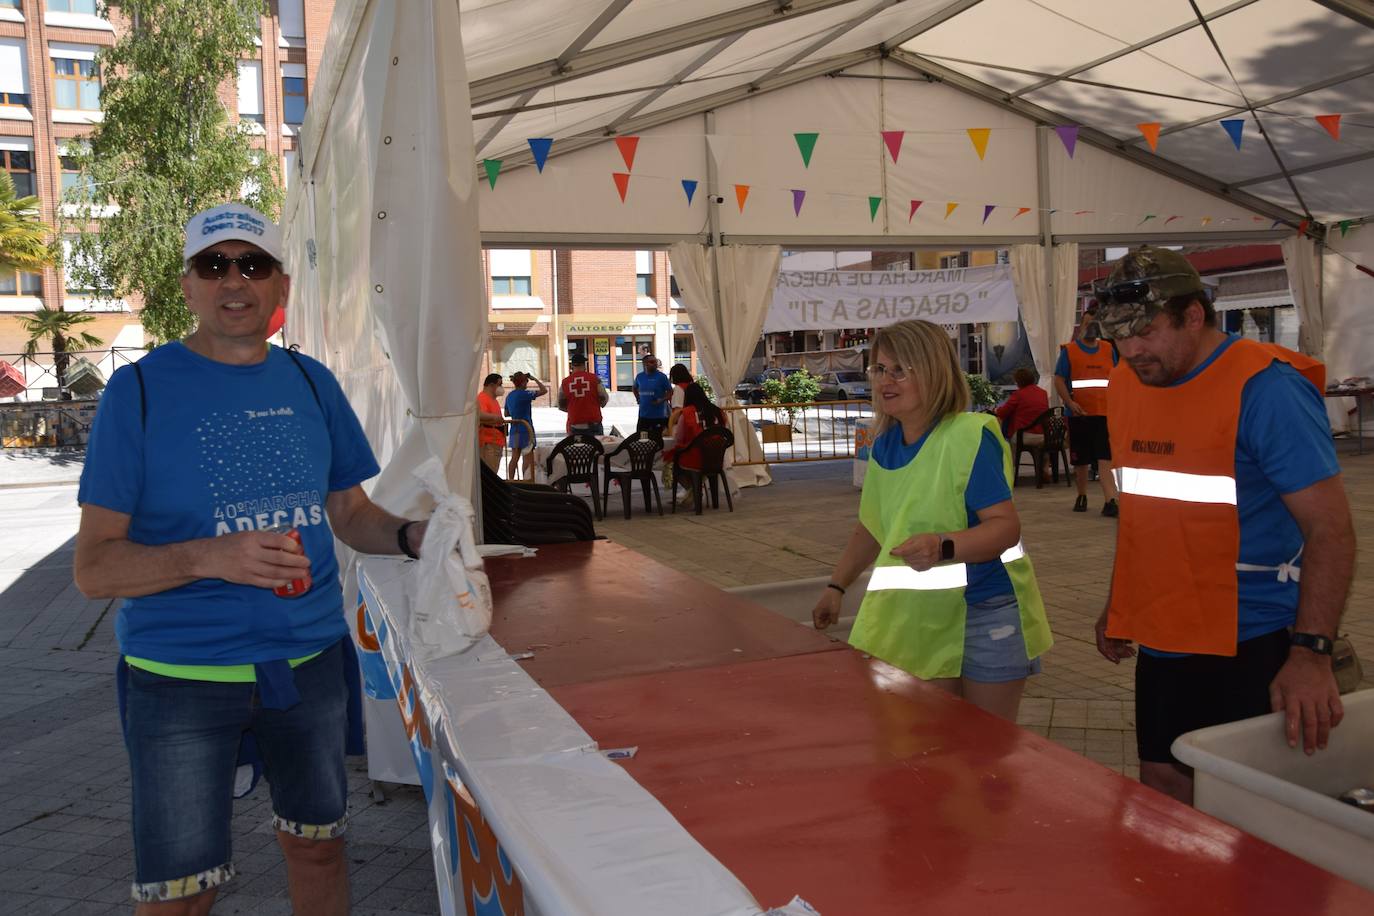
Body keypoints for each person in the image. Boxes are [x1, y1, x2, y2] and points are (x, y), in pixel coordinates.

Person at [72, 203, 430, 915]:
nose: (234, 280)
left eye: (253, 264)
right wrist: (210, 556)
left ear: (281, 287)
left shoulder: (310, 383)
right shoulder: (137, 392)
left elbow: (352, 515)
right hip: (180, 681)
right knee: (183, 893)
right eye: (213, 265)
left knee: (319, 846)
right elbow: (95, 569)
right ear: (187, 287)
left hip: (309, 667)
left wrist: (419, 537)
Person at [1091, 246, 1354, 806]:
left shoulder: (1267, 388)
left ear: (1194, 315)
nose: (1132, 350)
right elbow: (1143, 507)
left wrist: (1311, 655)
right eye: (1119, 337)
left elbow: (1330, 531)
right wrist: (1121, 600)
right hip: (1164, 631)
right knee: (1162, 785)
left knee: (1247, 806)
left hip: (1252, 636)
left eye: (1146, 332)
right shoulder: (1129, 382)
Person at [811, 320, 1052, 721]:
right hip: (924, 620)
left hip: (987, 612)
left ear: (933, 370)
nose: (885, 381)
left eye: (900, 370)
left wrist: (942, 545)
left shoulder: (969, 435)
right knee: (933, 749)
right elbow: (871, 526)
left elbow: (1004, 529)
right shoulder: (884, 444)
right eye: (879, 369)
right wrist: (836, 586)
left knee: (984, 752)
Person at [1055, 304, 1121, 516]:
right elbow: (1059, 379)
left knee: (1105, 457)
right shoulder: (1070, 351)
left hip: (1105, 413)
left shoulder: (1109, 349)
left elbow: (1118, 377)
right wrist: (1069, 403)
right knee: (1081, 460)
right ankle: (1081, 494)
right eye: (1087, 324)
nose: (1092, 328)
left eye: (1095, 324)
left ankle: (1110, 500)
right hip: (1079, 413)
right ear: (1081, 326)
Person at [662, 382, 724, 508]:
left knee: (670, 463)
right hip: (716, 458)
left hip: (695, 458)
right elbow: (724, 432)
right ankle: (698, 491)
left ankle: (693, 489)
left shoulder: (687, 413)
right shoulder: (718, 412)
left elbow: (679, 438)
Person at [995, 366, 1051, 482]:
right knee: (1041, 446)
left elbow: (1002, 412)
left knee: (1010, 443)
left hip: (1025, 435)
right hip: (1043, 435)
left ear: (1018, 382)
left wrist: (995, 410)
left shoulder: (1019, 395)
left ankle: (1010, 472)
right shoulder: (1043, 393)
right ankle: (1045, 468)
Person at [504, 371, 546, 480]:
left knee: (514, 458)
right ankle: (526, 481)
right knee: (527, 458)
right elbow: (544, 390)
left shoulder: (509, 396)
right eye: (526, 382)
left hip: (514, 429)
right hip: (525, 429)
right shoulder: (525, 394)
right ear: (523, 383)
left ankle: (511, 480)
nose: (527, 384)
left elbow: (506, 413)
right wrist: (535, 379)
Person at [559, 353, 608, 436]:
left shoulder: (565, 382)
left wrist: (573, 409)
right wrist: (600, 405)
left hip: (575, 424)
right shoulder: (594, 379)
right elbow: (603, 397)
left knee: (578, 448)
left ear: (572, 366)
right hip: (594, 422)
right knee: (596, 447)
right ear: (584, 365)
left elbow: (561, 404)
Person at [632, 353, 672, 435]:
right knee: (641, 439)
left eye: (655, 361)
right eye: (652, 362)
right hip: (643, 415)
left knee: (658, 440)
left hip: (659, 416)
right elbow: (634, 387)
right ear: (645, 364)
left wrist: (661, 400)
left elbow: (670, 392)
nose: (655, 363)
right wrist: (638, 398)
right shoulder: (640, 376)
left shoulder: (662, 377)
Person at [477, 373, 506, 473]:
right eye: (500, 384)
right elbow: (479, 415)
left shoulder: (493, 400)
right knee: (490, 473)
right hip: (488, 443)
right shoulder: (482, 398)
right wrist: (495, 417)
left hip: (496, 442)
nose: (501, 387)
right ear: (491, 385)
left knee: (494, 471)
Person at [666, 363, 693, 435]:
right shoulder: (692, 386)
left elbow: (678, 411)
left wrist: (670, 427)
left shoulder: (678, 388)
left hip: (682, 424)